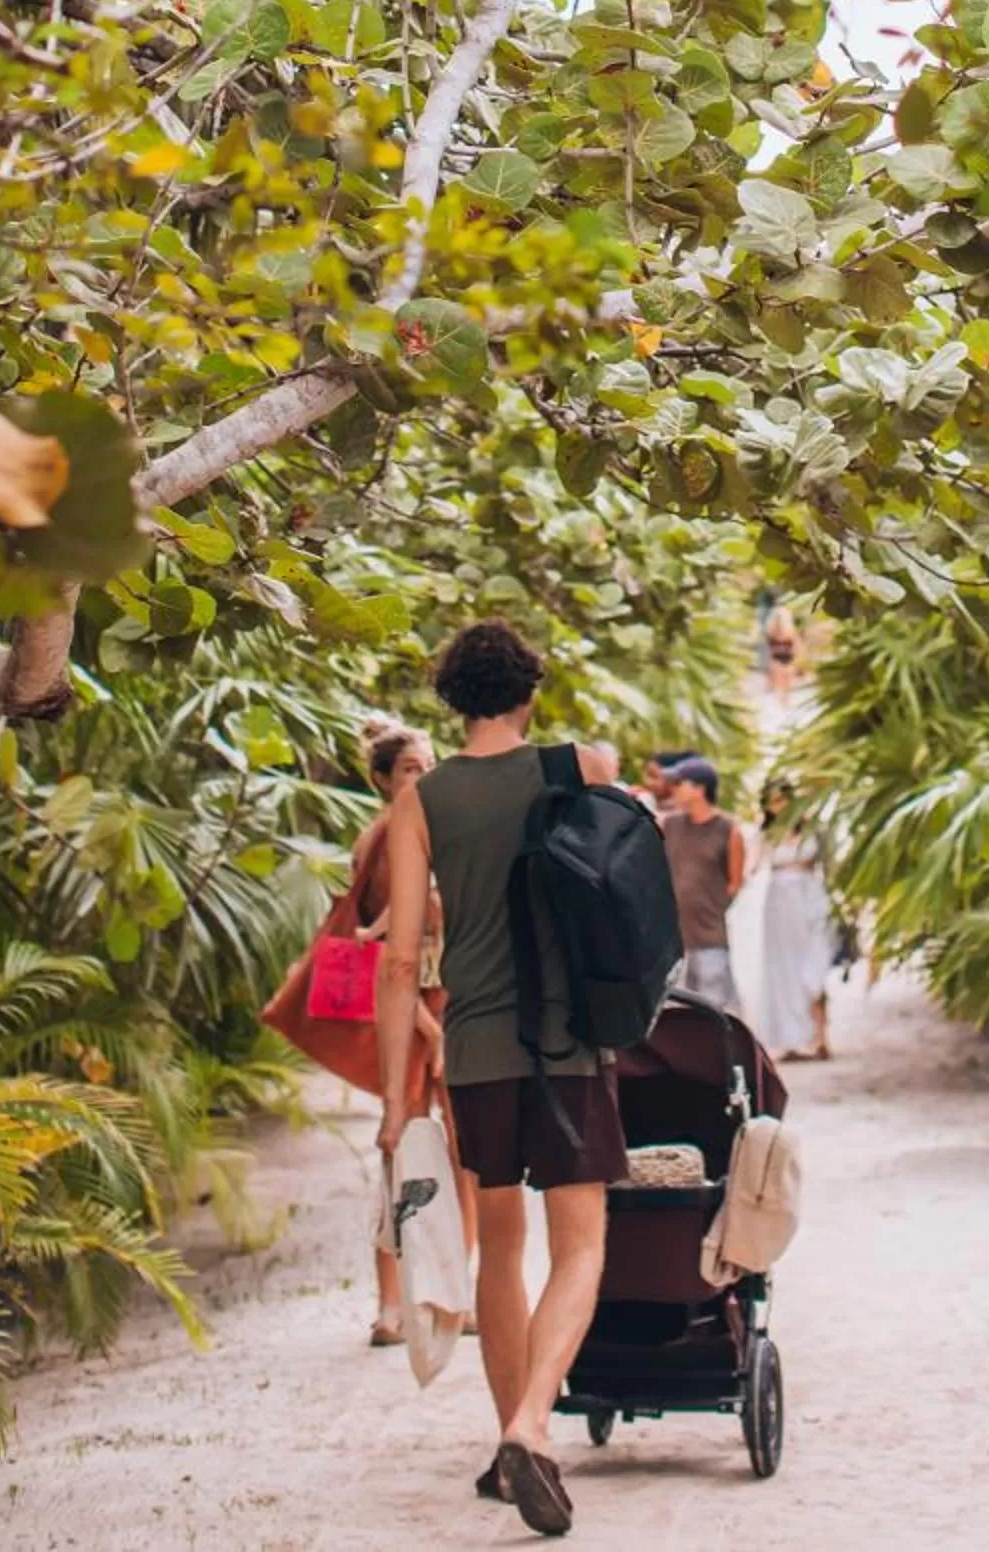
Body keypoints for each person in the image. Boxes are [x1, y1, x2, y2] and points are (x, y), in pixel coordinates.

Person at [377, 622, 625, 1541]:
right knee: (581, 1247)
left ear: (454, 700)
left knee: (503, 1246)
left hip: (476, 1051)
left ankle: (506, 1441)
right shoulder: (580, 769)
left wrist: (397, 1100)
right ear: (528, 693)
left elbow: (402, 960)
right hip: (569, 1044)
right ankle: (532, 1428)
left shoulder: (421, 801)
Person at [350, 722, 480, 1345]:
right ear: (382, 779)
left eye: (430, 766)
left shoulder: (449, 833)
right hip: (404, 1009)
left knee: (466, 1154)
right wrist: (430, 1031)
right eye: (409, 769)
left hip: (452, 999)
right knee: (398, 1148)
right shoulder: (377, 842)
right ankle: (391, 1303)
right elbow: (379, 953)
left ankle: (461, 1292)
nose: (424, 778)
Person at [758, 777, 836, 1062]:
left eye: (782, 799)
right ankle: (790, 1039)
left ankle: (821, 1036)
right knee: (782, 970)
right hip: (778, 903)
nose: (778, 806)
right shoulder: (766, 834)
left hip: (810, 897)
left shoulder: (814, 829)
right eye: (772, 801)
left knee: (813, 969)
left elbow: (831, 865)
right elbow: (753, 866)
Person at [661, 758, 746, 1012]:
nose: (673, 789)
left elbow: (735, 883)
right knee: (675, 1014)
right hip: (672, 942)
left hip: (710, 938)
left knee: (714, 1011)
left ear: (700, 789)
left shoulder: (728, 830)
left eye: (679, 783)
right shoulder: (669, 826)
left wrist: (710, 908)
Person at [764, 603, 800, 706]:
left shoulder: (790, 633)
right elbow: (769, 648)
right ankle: (782, 698)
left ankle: (785, 698)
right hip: (777, 658)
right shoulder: (771, 632)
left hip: (788, 658)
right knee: (779, 676)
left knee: (787, 676)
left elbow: (796, 647)